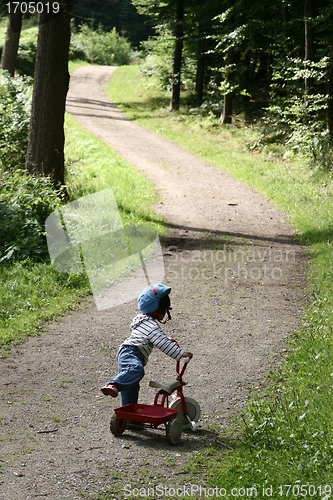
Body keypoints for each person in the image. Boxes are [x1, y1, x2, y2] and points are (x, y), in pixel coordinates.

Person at [100, 284, 192, 413]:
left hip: (127, 353)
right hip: (131, 353)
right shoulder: (151, 325)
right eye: (164, 310)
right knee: (137, 370)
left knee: (131, 387)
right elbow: (162, 343)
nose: (165, 313)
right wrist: (181, 354)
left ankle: (128, 417)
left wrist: (167, 339)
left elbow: (154, 337)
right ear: (156, 309)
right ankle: (113, 384)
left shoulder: (143, 321)